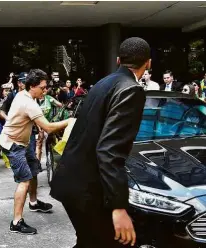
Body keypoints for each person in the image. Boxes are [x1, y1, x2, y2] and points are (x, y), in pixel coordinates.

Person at [50, 37, 150, 247]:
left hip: (71, 184)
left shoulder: (104, 83)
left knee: (89, 241)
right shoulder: (131, 89)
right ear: (148, 63)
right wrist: (118, 207)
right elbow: (109, 150)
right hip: (88, 192)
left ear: (117, 60)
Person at [0, 69, 72, 235]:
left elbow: (31, 119)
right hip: (13, 145)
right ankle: (16, 222)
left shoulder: (24, 95)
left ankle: (33, 202)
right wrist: (69, 121)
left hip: (23, 142)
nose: (45, 91)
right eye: (43, 87)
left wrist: (37, 127)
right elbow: (49, 127)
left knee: (34, 171)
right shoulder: (29, 103)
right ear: (32, 86)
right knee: (24, 180)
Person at [36, 91, 63, 162]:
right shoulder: (35, 99)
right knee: (39, 143)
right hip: (38, 124)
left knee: (53, 140)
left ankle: (55, 160)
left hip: (49, 123)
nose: (44, 91)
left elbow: (60, 105)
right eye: (42, 90)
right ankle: (37, 163)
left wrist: (54, 102)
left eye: (45, 90)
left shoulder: (48, 98)